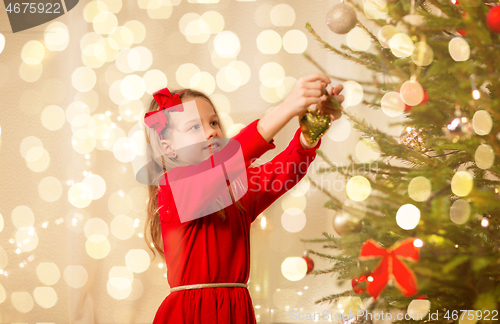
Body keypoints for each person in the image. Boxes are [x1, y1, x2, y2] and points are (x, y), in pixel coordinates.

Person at [143, 73, 344, 323]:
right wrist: (287, 107)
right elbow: (233, 157)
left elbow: (284, 171)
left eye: (213, 123)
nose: (211, 132)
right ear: (168, 147)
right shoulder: (174, 189)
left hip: (236, 312)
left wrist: (312, 127)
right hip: (192, 315)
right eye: (195, 126)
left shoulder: (236, 192)